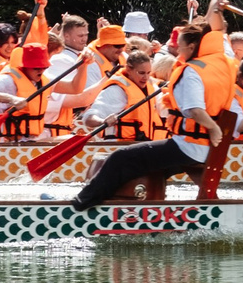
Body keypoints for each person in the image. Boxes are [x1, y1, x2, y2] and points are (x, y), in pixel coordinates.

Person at [73, 25, 225, 206]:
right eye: (141, 73)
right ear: (128, 69)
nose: (145, 78)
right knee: (119, 158)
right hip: (144, 145)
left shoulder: (157, 88)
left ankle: (84, 202)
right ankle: (90, 202)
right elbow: (90, 117)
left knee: (125, 159)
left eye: (148, 73)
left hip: (182, 147)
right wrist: (103, 120)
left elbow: (179, 111)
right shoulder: (117, 90)